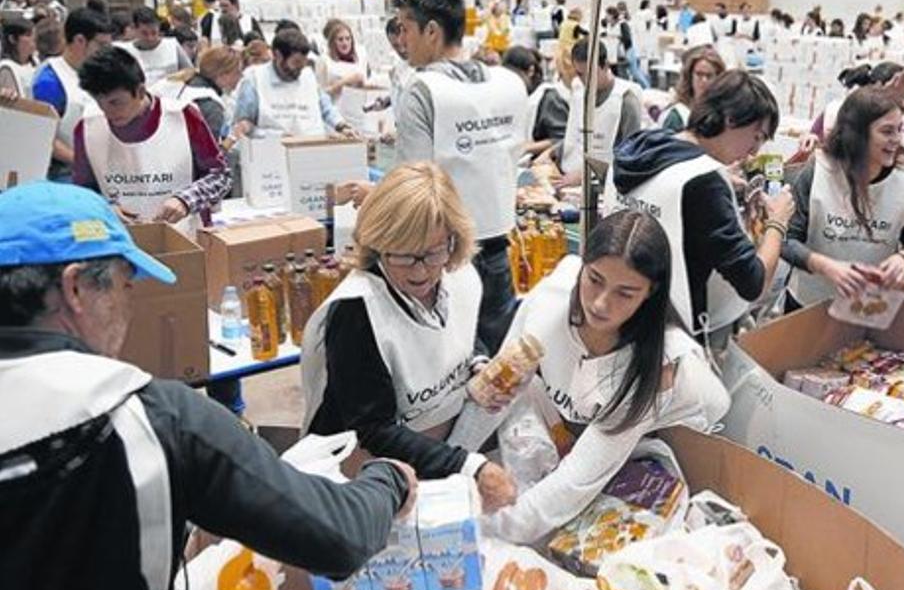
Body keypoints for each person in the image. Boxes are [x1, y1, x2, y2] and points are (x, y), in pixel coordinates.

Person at [0, 181, 416, 590]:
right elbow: (337, 535)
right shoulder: (150, 418)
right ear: (76, 287)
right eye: (123, 286)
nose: (129, 307)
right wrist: (388, 480)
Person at [452, 211, 730, 543]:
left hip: (691, 440)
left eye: (625, 293)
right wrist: (449, 469)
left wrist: (473, 530)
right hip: (586, 422)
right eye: (594, 279)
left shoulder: (657, 369)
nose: (600, 304)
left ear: (649, 294)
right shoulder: (549, 302)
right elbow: (497, 391)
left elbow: (575, 482)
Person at [301, 163, 517, 512]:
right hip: (366, 469)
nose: (420, 271)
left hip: (432, 449)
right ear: (378, 244)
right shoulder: (357, 312)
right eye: (402, 254)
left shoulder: (459, 276)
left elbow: (457, 332)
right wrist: (470, 467)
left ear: (452, 240)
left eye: (432, 253)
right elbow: (374, 429)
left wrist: (478, 365)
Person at [390, 0, 528, 354]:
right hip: (498, 244)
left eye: (405, 28)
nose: (402, 40)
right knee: (498, 361)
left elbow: (412, 185)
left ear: (431, 31)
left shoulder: (422, 90)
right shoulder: (508, 82)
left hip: (442, 258)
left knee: (448, 363)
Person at [606, 70, 794, 341]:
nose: (754, 152)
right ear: (731, 118)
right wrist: (777, 222)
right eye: (757, 136)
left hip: (617, 317)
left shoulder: (641, 148)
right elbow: (753, 283)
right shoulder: (704, 182)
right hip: (668, 337)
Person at [782, 87, 904, 305]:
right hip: (810, 302)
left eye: (899, 129)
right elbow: (787, 241)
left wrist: (902, 258)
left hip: (869, 304)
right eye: (887, 131)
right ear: (858, 134)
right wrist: (825, 266)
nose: (897, 140)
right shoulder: (819, 172)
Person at [73, 46, 229, 232]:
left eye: (116, 102)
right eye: (100, 103)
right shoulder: (89, 126)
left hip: (184, 237)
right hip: (122, 241)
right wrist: (103, 208)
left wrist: (185, 200)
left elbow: (220, 176)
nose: (108, 112)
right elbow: (81, 192)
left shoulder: (183, 116)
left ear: (139, 92)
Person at [30, 7, 112, 181]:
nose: (106, 52)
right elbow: (45, 138)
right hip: (66, 174)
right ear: (80, 40)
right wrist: (83, 163)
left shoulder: (98, 70)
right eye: (101, 45)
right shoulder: (49, 80)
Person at [233, 28, 355, 138]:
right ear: (278, 56)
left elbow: (326, 108)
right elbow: (244, 126)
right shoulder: (254, 79)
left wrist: (341, 126)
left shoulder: (307, 75)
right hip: (272, 153)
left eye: (303, 63)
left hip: (311, 149)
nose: (300, 69)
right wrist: (274, 135)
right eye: (296, 62)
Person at [557, 39, 643, 187]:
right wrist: (551, 153)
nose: (585, 80)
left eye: (590, 74)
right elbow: (574, 137)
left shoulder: (626, 101)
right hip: (569, 178)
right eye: (580, 74)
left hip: (605, 186)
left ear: (606, 66)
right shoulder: (578, 93)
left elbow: (631, 160)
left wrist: (586, 175)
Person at [152, 44, 243, 142]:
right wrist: (231, 139)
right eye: (237, 72)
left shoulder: (178, 82)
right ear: (223, 75)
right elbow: (209, 154)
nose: (240, 77)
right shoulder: (212, 107)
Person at [503, 45, 568, 155]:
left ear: (530, 71)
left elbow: (562, 139)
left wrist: (527, 148)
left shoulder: (548, 99)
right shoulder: (514, 95)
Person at [118, 7, 192, 87]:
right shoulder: (125, 51)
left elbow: (190, 70)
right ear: (135, 29)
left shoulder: (172, 45)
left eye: (154, 33)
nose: (150, 38)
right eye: (144, 33)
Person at [659, 45, 724, 133]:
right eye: (699, 74)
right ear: (690, 76)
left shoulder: (723, 113)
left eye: (709, 76)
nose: (704, 80)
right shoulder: (678, 116)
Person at [316, 18, 368, 104]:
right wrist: (343, 83)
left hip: (357, 108)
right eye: (340, 39)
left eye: (348, 39)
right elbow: (320, 93)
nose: (345, 43)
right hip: (336, 108)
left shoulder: (360, 55)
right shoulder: (324, 60)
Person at [0, 17, 36, 96]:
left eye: (34, 35)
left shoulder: (36, 62)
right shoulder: (6, 68)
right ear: (12, 39)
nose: (34, 39)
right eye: (28, 35)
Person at [555, 7, 585, 84]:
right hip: (570, 50)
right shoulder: (575, 25)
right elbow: (578, 36)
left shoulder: (564, 23)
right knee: (571, 71)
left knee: (562, 69)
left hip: (560, 49)